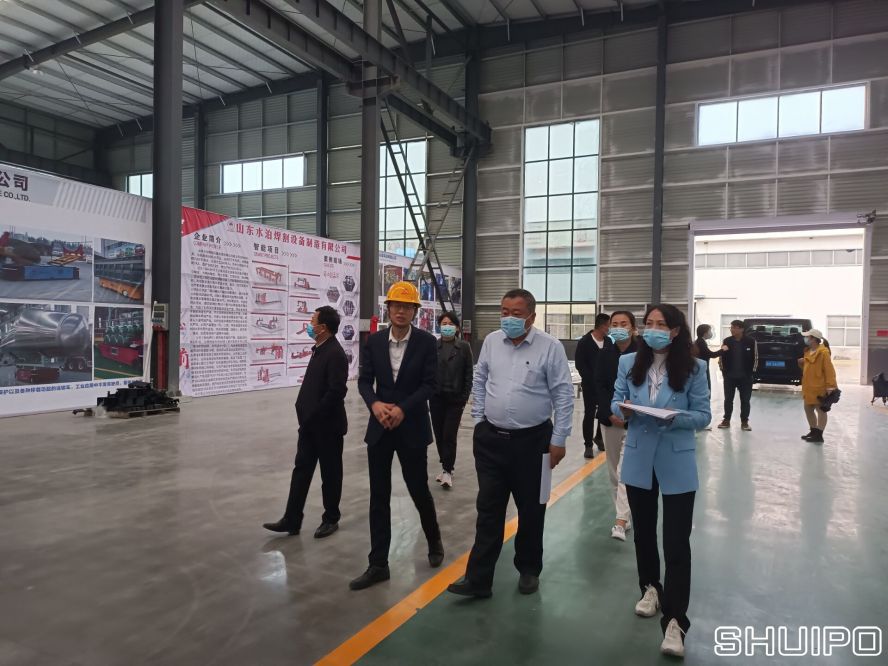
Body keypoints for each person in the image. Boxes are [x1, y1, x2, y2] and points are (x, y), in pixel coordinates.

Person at [447, 289, 574, 598]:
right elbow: (480, 379)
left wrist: (559, 439)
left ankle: (529, 569)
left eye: (516, 313)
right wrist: (479, 419)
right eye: (504, 312)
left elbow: (563, 394)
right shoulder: (492, 342)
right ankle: (478, 580)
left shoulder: (550, 347)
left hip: (535, 443)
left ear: (532, 316)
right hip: (491, 440)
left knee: (532, 509)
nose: (508, 318)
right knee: (488, 509)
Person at [611, 304, 711, 659]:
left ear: (675, 331)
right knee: (644, 534)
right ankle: (650, 587)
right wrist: (621, 410)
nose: (653, 329)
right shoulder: (628, 363)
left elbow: (703, 415)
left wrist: (675, 417)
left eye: (661, 324)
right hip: (639, 458)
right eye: (649, 323)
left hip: (676, 461)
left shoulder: (695, 368)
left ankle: (675, 621)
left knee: (676, 542)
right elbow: (615, 402)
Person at [349, 281, 444, 591]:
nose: (400, 311)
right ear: (388, 308)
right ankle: (378, 564)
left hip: (412, 427)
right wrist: (375, 404)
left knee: (418, 489)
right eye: (396, 305)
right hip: (380, 428)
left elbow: (430, 385)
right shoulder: (375, 342)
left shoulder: (427, 343)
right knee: (379, 496)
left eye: (407, 306)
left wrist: (403, 408)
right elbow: (364, 381)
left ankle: (434, 540)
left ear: (415, 311)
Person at [263, 306, 348, 539]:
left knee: (330, 474)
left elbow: (336, 391)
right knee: (301, 471)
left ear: (323, 328)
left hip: (327, 427)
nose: (310, 326)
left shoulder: (335, 354)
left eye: (313, 322)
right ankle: (292, 518)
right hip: (309, 427)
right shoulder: (319, 349)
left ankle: (331, 518)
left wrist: (315, 415)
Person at [594, 311, 638, 542]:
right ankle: (624, 514)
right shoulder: (605, 353)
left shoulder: (643, 354)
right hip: (609, 420)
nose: (619, 327)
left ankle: (620, 520)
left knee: (624, 471)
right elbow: (599, 385)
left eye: (624, 324)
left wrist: (630, 413)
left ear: (633, 328)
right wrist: (610, 413)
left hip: (635, 421)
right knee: (613, 472)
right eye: (615, 324)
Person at [430, 311, 474, 489]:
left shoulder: (463, 347)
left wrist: (464, 397)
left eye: (450, 324)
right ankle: (445, 464)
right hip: (436, 398)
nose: (447, 327)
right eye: (444, 324)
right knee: (439, 434)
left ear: (456, 328)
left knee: (449, 435)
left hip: (455, 400)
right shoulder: (434, 346)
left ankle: (448, 470)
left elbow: (469, 374)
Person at [575, 313, 612, 458]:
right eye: (609, 325)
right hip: (590, 385)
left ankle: (599, 437)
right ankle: (588, 445)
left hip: (605, 386)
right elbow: (580, 364)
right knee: (589, 414)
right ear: (602, 326)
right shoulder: (585, 342)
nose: (609, 328)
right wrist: (591, 379)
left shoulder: (608, 341)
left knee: (603, 412)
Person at [717, 319, 757, 431]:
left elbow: (756, 357)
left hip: (745, 377)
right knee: (728, 400)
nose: (732, 329)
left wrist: (751, 373)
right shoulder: (727, 341)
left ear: (742, 329)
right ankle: (726, 420)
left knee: (745, 400)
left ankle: (744, 422)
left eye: (734, 327)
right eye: (731, 327)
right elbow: (721, 357)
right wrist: (724, 372)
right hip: (730, 377)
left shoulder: (751, 341)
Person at [799, 328, 838, 443]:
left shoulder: (823, 353)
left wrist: (830, 387)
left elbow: (829, 371)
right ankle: (813, 430)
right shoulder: (808, 352)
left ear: (813, 339)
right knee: (808, 409)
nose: (806, 339)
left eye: (807, 337)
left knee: (820, 410)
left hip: (819, 387)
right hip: (808, 387)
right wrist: (802, 363)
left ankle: (819, 435)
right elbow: (809, 369)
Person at [692, 324, 720, 391]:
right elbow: (711, 354)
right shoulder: (701, 342)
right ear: (705, 333)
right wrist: (723, 350)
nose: (711, 333)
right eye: (710, 331)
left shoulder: (700, 341)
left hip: (701, 368)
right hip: (701, 369)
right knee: (705, 388)